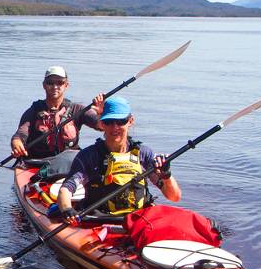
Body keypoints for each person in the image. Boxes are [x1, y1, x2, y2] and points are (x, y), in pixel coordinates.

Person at [56, 95, 181, 224]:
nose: (115, 127)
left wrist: (166, 175)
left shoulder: (143, 154)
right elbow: (66, 190)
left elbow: (174, 196)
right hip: (100, 221)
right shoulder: (89, 156)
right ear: (102, 124)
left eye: (120, 121)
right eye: (109, 121)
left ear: (130, 121)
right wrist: (67, 209)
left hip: (138, 221)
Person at [10, 66, 103, 160]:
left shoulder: (77, 110)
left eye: (60, 83)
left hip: (68, 163)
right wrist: (16, 143)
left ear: (66, 85)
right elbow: (21, 133)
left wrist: (101, 114)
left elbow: (101, 125)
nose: (55, 87)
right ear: (44, 85)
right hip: (37, 162)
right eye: (50, 83)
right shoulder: (33, 111)